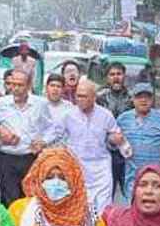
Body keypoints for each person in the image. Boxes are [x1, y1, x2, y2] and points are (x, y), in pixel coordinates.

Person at [45, 79, 124, 213]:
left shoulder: (106, 115)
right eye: (78, 96)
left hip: (101, 167)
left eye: (84, 96)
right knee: (78, 206)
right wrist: (42, 142)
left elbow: (115, 136)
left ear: (94, 97)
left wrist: (114, 139)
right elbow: (54, 133)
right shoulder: (68, 114)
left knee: (102, 208)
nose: (79, 100)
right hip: (76, 165)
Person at [117, 83, 160, 200]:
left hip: (157, 178)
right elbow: (111, 140)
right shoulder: (123, 119)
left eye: (147, 97)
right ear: (133, 99)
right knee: (132, 215)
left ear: (152, 99)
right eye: (139, 97)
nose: (143, 100)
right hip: (133, 179)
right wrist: (115, 140)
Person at [0, 68, 46, 206]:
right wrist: (0, 131)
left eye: (20, 85)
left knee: (29, 196)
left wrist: (43, 141)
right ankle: (9, 225)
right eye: (13, 84)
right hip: (5, 157)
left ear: (28, 86)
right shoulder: (0, 103)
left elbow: (52, 128)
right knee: (9, 196)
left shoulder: (40, 104)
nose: (15, 89)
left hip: (29, 157)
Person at [98, 63, 134, 199]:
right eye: (112, 75)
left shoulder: (132, 97)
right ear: (107, 78)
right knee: (106, 193)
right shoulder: (100, 97)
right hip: (106, 151)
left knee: (130, 192)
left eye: (119, 74)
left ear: (124, 76)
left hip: (128, 150)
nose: (116, 78)